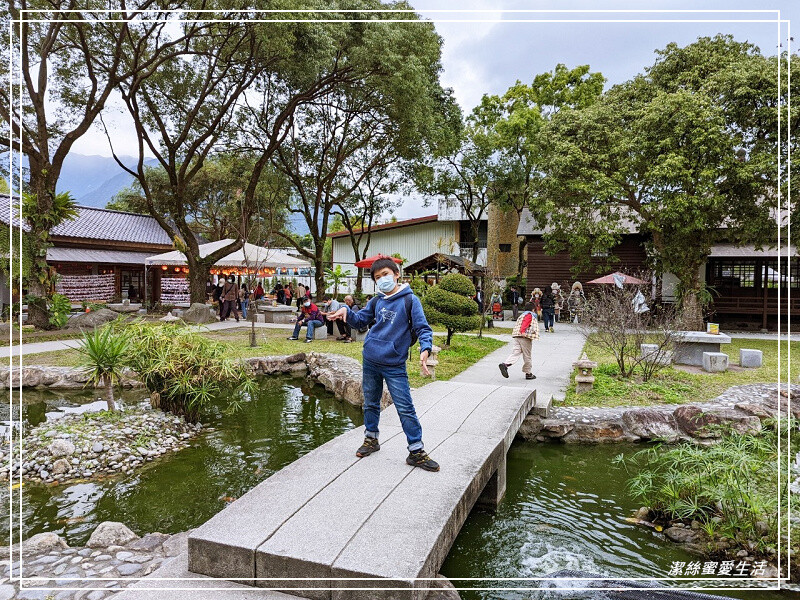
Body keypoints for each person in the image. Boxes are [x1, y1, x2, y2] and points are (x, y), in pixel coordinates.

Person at [328, 257, 439, 472]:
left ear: (397, 274)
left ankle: (416, 451)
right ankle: (371, 439)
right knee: (370, 402)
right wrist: (346, 312)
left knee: (405, 407)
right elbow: (360, 321)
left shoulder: (410, 300)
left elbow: (423, 328)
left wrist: (425, 348)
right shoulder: (376, 301)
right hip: (371, 359)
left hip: (394, 363)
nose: (382, 280)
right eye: (377, 277)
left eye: (386, 274)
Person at [499, 303, 539, 380]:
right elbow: (525, 324)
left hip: (517, 336)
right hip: (524, 337)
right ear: (533, 309)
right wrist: (523, 332)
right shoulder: (529, 315)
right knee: (527, 355)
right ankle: (528, 373)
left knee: (516, 352)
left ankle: (505, 365)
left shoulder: (522, 315)